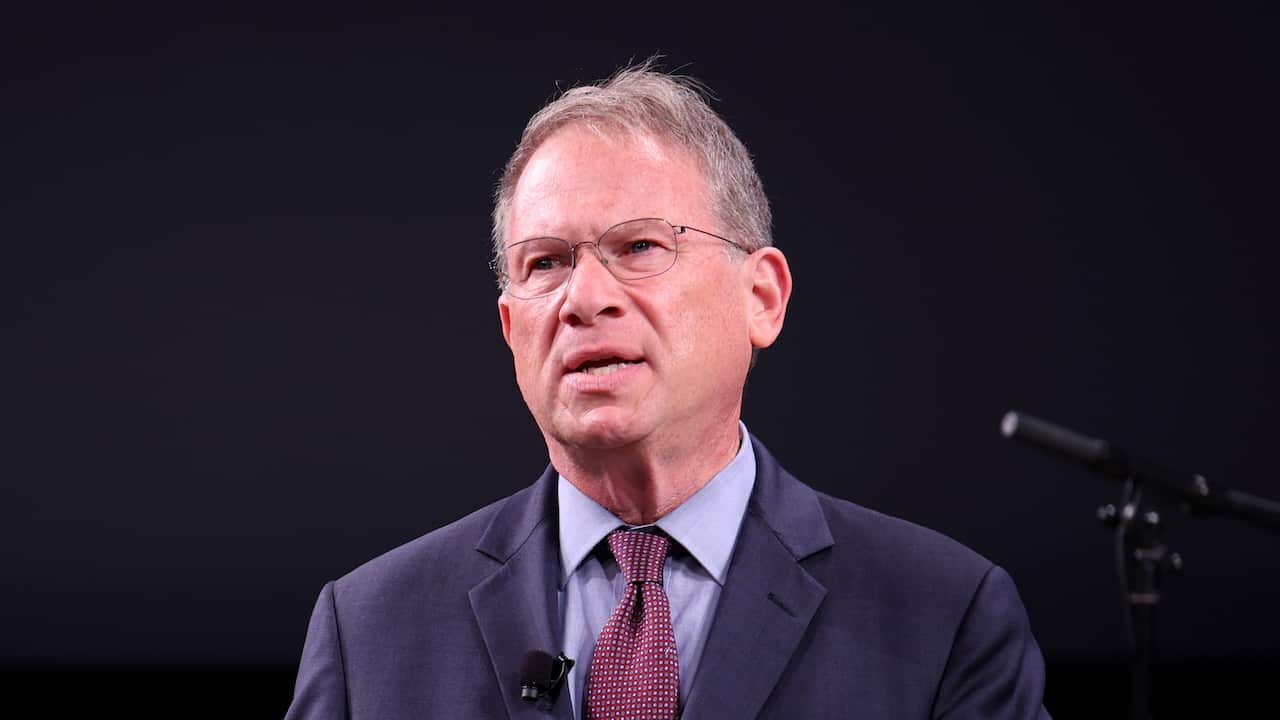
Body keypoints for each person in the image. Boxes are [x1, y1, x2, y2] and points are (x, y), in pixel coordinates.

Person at [284, 61, 1051, 719]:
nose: (584, 298)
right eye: (545, 262)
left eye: (640, 246)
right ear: (512, 327)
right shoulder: (368, 632)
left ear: (762, 298)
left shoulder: (944, 617)